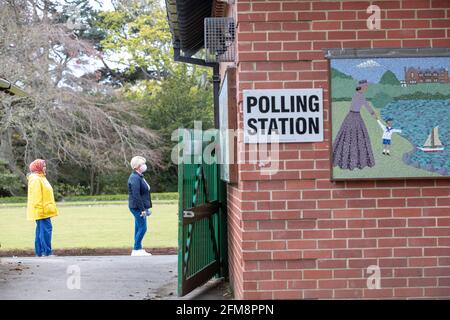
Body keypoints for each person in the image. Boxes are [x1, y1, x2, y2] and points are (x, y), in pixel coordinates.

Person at [332, 80, 378, 170]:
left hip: (351, 116)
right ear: (361, 87)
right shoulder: (360, 96)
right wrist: (373, 114)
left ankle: (347, 161)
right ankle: (354, 162)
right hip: (355, 116)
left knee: (350, 137)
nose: (366, 88)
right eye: (365, 87)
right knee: (355, 138)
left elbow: (365, 105)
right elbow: (367, 106)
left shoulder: (356, 95)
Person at [26, 159, 58, 257]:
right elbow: (36, 197)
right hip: (42, 211)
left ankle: (40, 252)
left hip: (44, 210)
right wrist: (40, 211)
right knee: (46, 230)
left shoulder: (41, 177)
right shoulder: (36, 179)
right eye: (43, 166)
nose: (45, 167)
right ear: (38, 167)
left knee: (41, 230)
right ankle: (46, 252)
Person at [128, 156, 153, 256]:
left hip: (139, 206)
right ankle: (136, 249)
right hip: (137, 207)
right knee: (143, 227)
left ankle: (138, 248)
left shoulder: (139, 176)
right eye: (142, 164)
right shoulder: (135, 177)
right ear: (137, 166)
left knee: (138, 227)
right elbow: (136, 195)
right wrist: (142, 209)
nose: (144, 166)